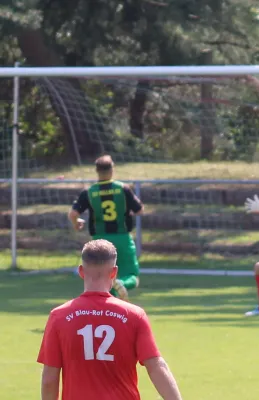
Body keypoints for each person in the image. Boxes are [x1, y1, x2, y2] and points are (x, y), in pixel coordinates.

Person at [37, 239, 182, 400]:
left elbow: (49, 379)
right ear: (114, 272)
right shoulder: (134, 315)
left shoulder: (59, 316)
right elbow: (156, 366)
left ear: (81, 271)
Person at [68, 155, 143, 301]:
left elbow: (73, 214)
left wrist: (76, 223)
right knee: (132, 277)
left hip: (99, 241)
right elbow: (139, 210)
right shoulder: (122, 189)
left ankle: (110, 305)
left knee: (104, 278)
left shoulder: (89, 192)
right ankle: (121, 283)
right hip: (122, 237)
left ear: (96, 171)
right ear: (112, 169)